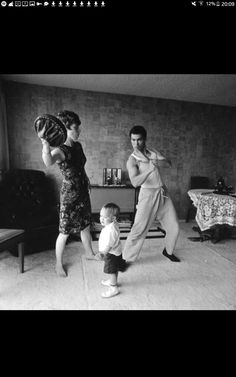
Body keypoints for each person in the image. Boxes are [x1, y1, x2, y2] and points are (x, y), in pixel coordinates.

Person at [41, 110, 100, 278]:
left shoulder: (78, 146)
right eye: (75, 128)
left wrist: (87, 180)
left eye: (78, 128)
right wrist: (46, 146)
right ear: (65, 129)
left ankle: (89, 253)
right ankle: (58, 264)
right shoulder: (61, 150)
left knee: (85, 225)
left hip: (82, 190)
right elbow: (48, 162)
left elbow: (80, 167)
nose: (78, 131)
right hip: (69, 195)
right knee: (64, 231)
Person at [122, 125, 180, 264]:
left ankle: (168, 251)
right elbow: (135, 182)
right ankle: (125, 259)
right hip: (147, 195)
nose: (136, 143)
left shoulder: (152, 151)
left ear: (145, 139)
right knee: (138, 229)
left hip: (162, 192)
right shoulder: (132, 160)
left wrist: (157, 162)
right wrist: (149, 169)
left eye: (139, 140)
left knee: (174, 226)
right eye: (133, 140)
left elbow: (168, 163)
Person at [98, 203, 127, 298]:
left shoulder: (111, 230)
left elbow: (109, 245)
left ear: (113, 218)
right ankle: (112, 281)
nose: (101, 219)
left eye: (105, 217)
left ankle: (114, 288)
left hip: (111, 254)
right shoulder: (112, 225)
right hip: (116, 252)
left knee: (111, 270)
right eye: (101, 216)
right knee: (114, 269)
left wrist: (102, 253)